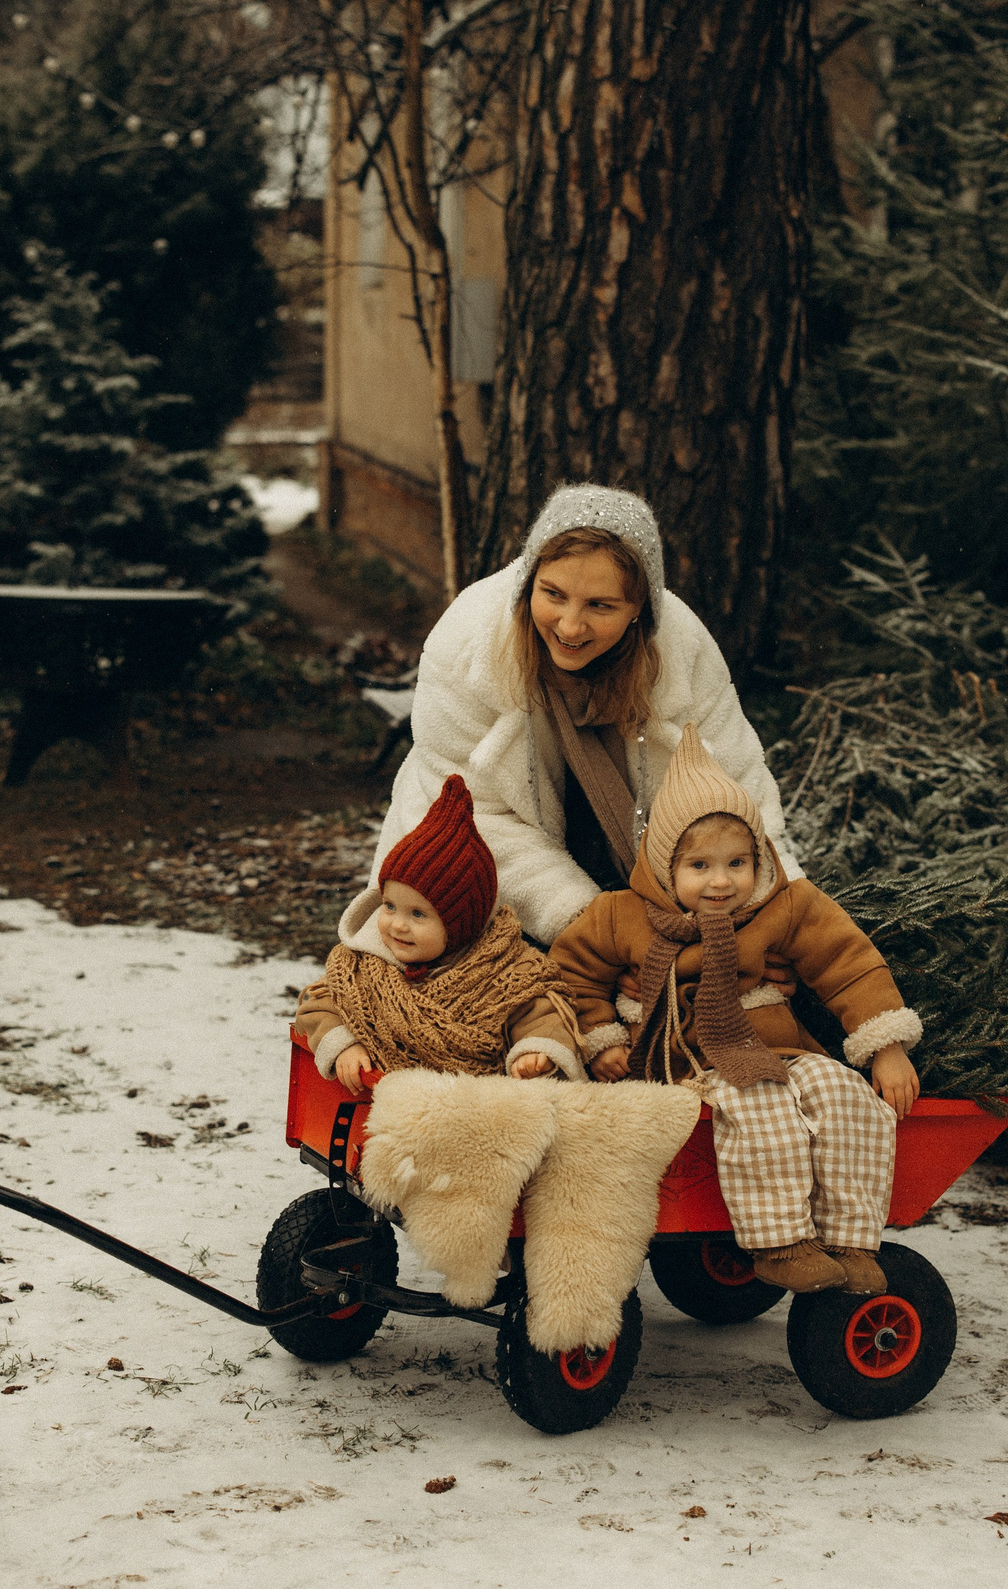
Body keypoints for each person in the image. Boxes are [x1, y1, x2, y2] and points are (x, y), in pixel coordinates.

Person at [551, 726, 925, 1297]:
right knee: (760, 1104)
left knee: (844, 1094)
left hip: (774, 1045)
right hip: (681, 1059)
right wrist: (601, 1038)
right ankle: (778, 1242)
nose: (722, 881)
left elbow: (846, 960)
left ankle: (849, 1240)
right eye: (699, 866)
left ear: (760, 858)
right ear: (663, 866)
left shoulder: (785, 904)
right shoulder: (619, 915)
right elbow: (570, 972)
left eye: (737, 862)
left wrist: (887, 1047)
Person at [372, 484, 797, 945]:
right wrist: (598, 926)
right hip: (478, 881)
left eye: (600, 606)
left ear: (640, 610)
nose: (571, 626)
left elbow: (740, 794)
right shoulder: (468, 646)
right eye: (553, 594)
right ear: (528, 581)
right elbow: (470, 818)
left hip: (642, 879)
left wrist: (781, 915)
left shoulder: (682, 649)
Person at [296, 776, 606, 1086]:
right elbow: (319, 1004)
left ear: (460, 926)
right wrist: (344, 1044)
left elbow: (540, 1013)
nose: (397, 924)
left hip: (470, 1107)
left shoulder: (503, 972)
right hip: (375, 1105)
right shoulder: (361, 965)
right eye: (389, 906)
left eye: (418, 913)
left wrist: (534, 1051)